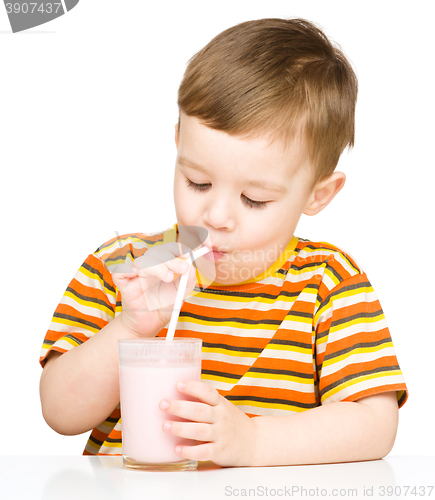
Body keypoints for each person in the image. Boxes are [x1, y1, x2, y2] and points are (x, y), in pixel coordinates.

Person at [39, 17, 408, 467]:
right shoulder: (123, 266)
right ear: (178, 145)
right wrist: (131, 329)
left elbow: (375, 423)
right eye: (197, 182)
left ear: (317, 194)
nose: (215, 216)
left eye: (254, 199)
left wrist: (253, 440)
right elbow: (59, 413)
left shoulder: (328, 283)